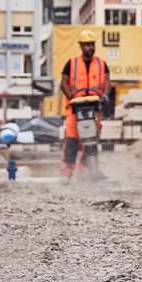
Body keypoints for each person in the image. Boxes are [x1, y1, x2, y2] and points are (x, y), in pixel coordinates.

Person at [59, 30, 111, 177]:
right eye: (87, 45)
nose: (90, 47)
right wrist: (71, 97)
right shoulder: (71, 63)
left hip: (94, 106)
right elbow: (63, 83)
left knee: (91, 139)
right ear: (81, 46)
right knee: (72, 139)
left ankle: (88, 170)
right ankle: (67, 172)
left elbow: (107, 82)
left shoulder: (102, 64)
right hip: (75, 108)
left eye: (92, 44)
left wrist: (106, 95)